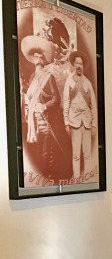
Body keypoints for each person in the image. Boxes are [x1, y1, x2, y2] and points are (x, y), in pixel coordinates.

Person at [20, 35, 64, 179]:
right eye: (35, 56)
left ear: (44, 59)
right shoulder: (31, 78)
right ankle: (43, 177)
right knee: (38, 151)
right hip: (34, 121)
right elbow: (30, 97)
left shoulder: (49, 77)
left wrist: (44, 106)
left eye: (40, 56)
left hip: (46, 119)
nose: (38, 58)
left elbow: (56, 99)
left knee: (47, 152)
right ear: (32, 58)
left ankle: (49, 178)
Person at [63, 51, 97, 181]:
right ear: (73, 65)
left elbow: (93, 105)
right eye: (77, 63)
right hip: (74, 121)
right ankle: (77, 179)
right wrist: (66, 122)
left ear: (83, 66)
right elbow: (66, 102)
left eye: (81, 64)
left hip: (87, 122)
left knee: (87, 154)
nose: (79, 66)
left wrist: (94, 124)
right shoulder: (69, 81)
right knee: (76, 155)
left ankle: (87, 179)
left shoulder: (87, 83)